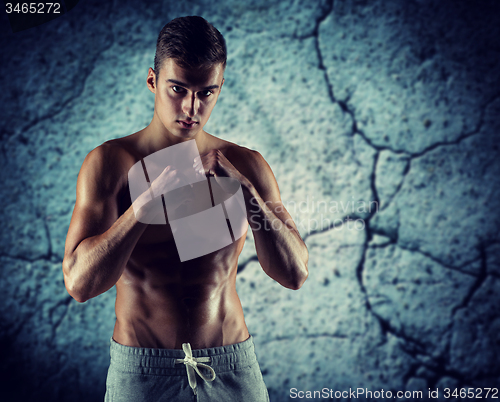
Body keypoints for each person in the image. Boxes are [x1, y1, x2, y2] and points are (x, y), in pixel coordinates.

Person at [62, 15, 308, 401]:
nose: (191, 106)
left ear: (221, 87)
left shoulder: (245, 164)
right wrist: (142, 206)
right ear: (152, 81)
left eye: (206, 92)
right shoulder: (112, 163)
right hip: (143, 373)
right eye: (178, 88)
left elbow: (294, 274)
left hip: (231, 367)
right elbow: (79, 284)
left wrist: (247, 193)